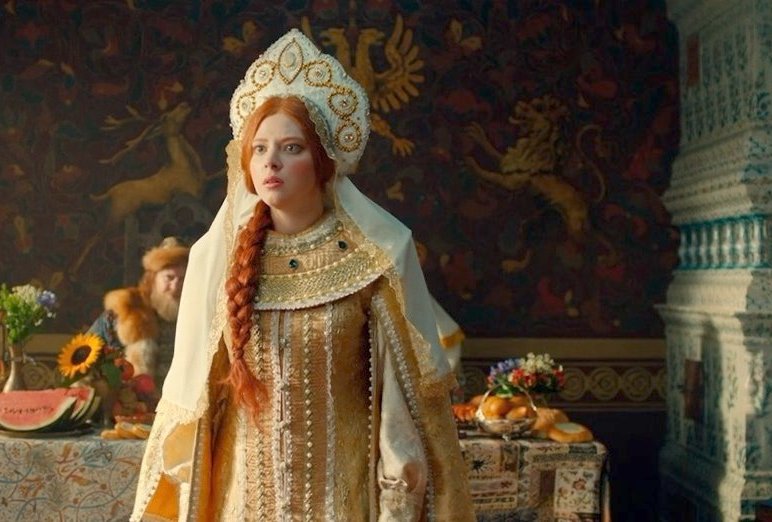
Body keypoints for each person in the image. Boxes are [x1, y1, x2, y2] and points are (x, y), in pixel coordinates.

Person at [131, 29, 475, 521]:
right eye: (259, 148)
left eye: (291, 148)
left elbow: (405, 409)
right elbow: (195, 406)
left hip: (342, 502)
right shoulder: (219, 259)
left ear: (322, 160)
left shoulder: (374, 258)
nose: (271, 161)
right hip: (242, 502)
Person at [88, 237, 188, 389]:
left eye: (182, 279)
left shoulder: (200, 315)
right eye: (169, 278)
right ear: (152, 278)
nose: (175, 287)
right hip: (132, 400)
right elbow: (84, 358)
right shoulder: (125, 310)